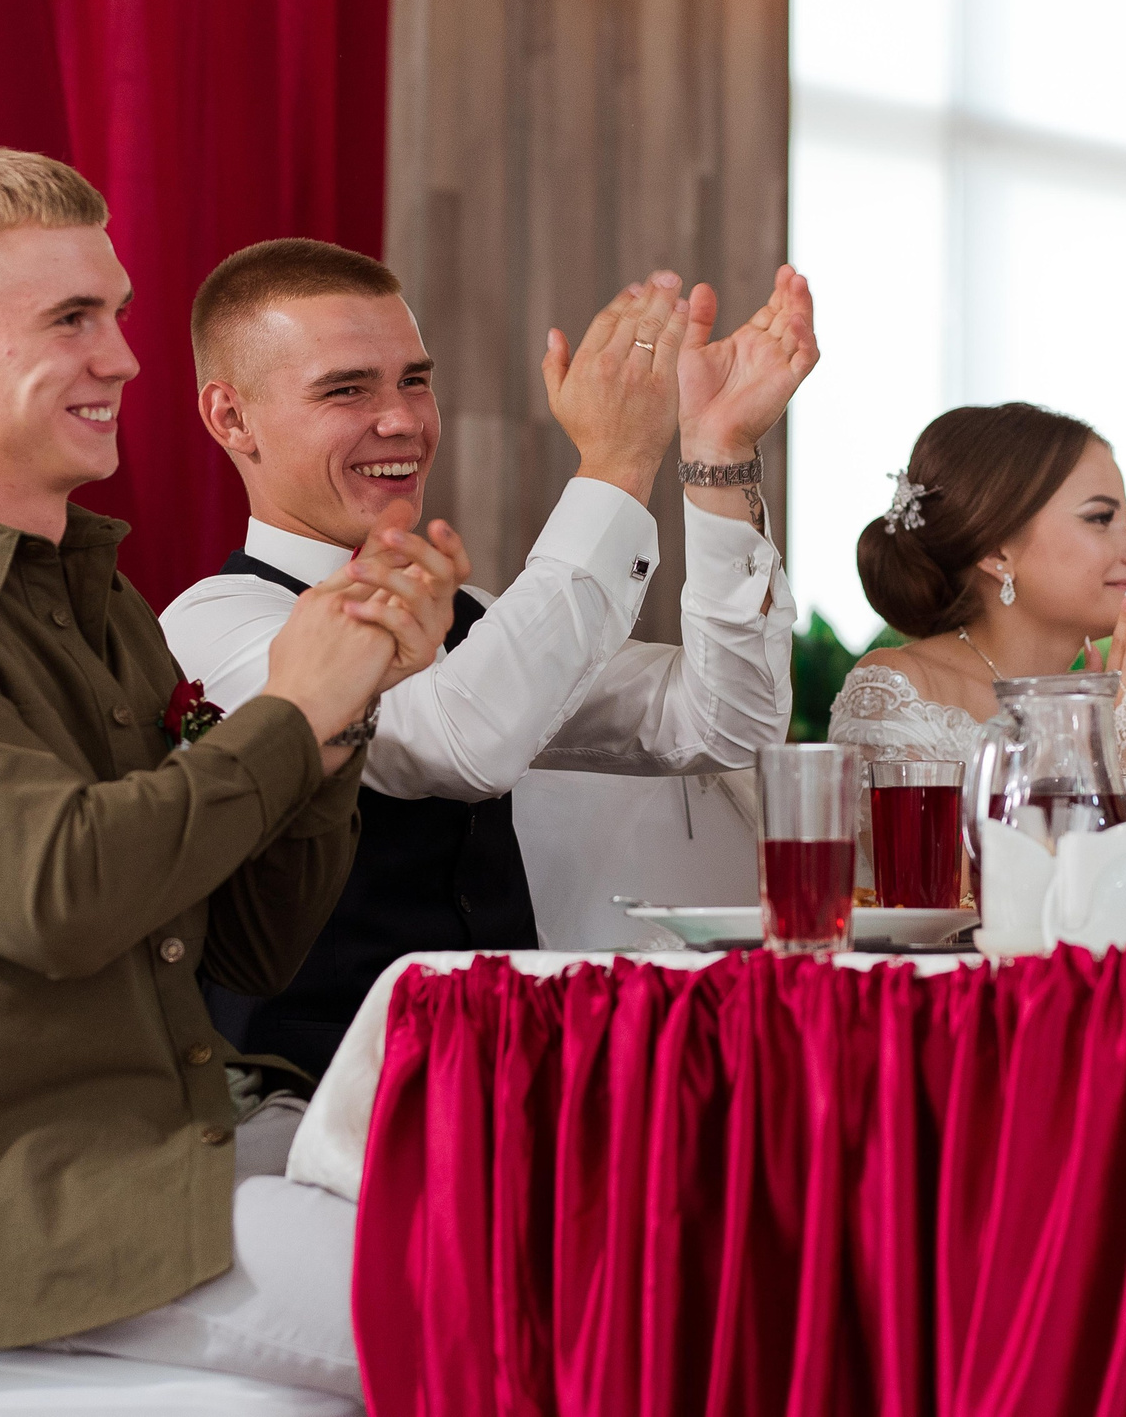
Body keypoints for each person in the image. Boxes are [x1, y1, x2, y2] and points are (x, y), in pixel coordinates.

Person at [0, 146, 452, 1394]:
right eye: (71, 318)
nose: (123, 355)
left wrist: (344, 711)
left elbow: (251, 948)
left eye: (113, 311)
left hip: (199, 1141)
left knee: (603, 1233)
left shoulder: (94, 598)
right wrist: (293, 704)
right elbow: (62, 894)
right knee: (532, 1311)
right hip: (41, 1222)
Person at [161, 241, 816, 1075]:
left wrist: (717, 454)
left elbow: (723, 723)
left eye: (415, 379)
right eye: (346, 388)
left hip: (509, 1081)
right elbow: (459, 741)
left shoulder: (484, 619)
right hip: (311, 1115)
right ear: (230, 417)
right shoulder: (212, 627)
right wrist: (616, 466)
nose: (402, 419)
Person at [827, 403, 1126, 893]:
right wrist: (1116, 770)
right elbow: (945, 903)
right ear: (997, 552)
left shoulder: (1109, 710)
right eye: (1100, 518)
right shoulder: (899, 688)